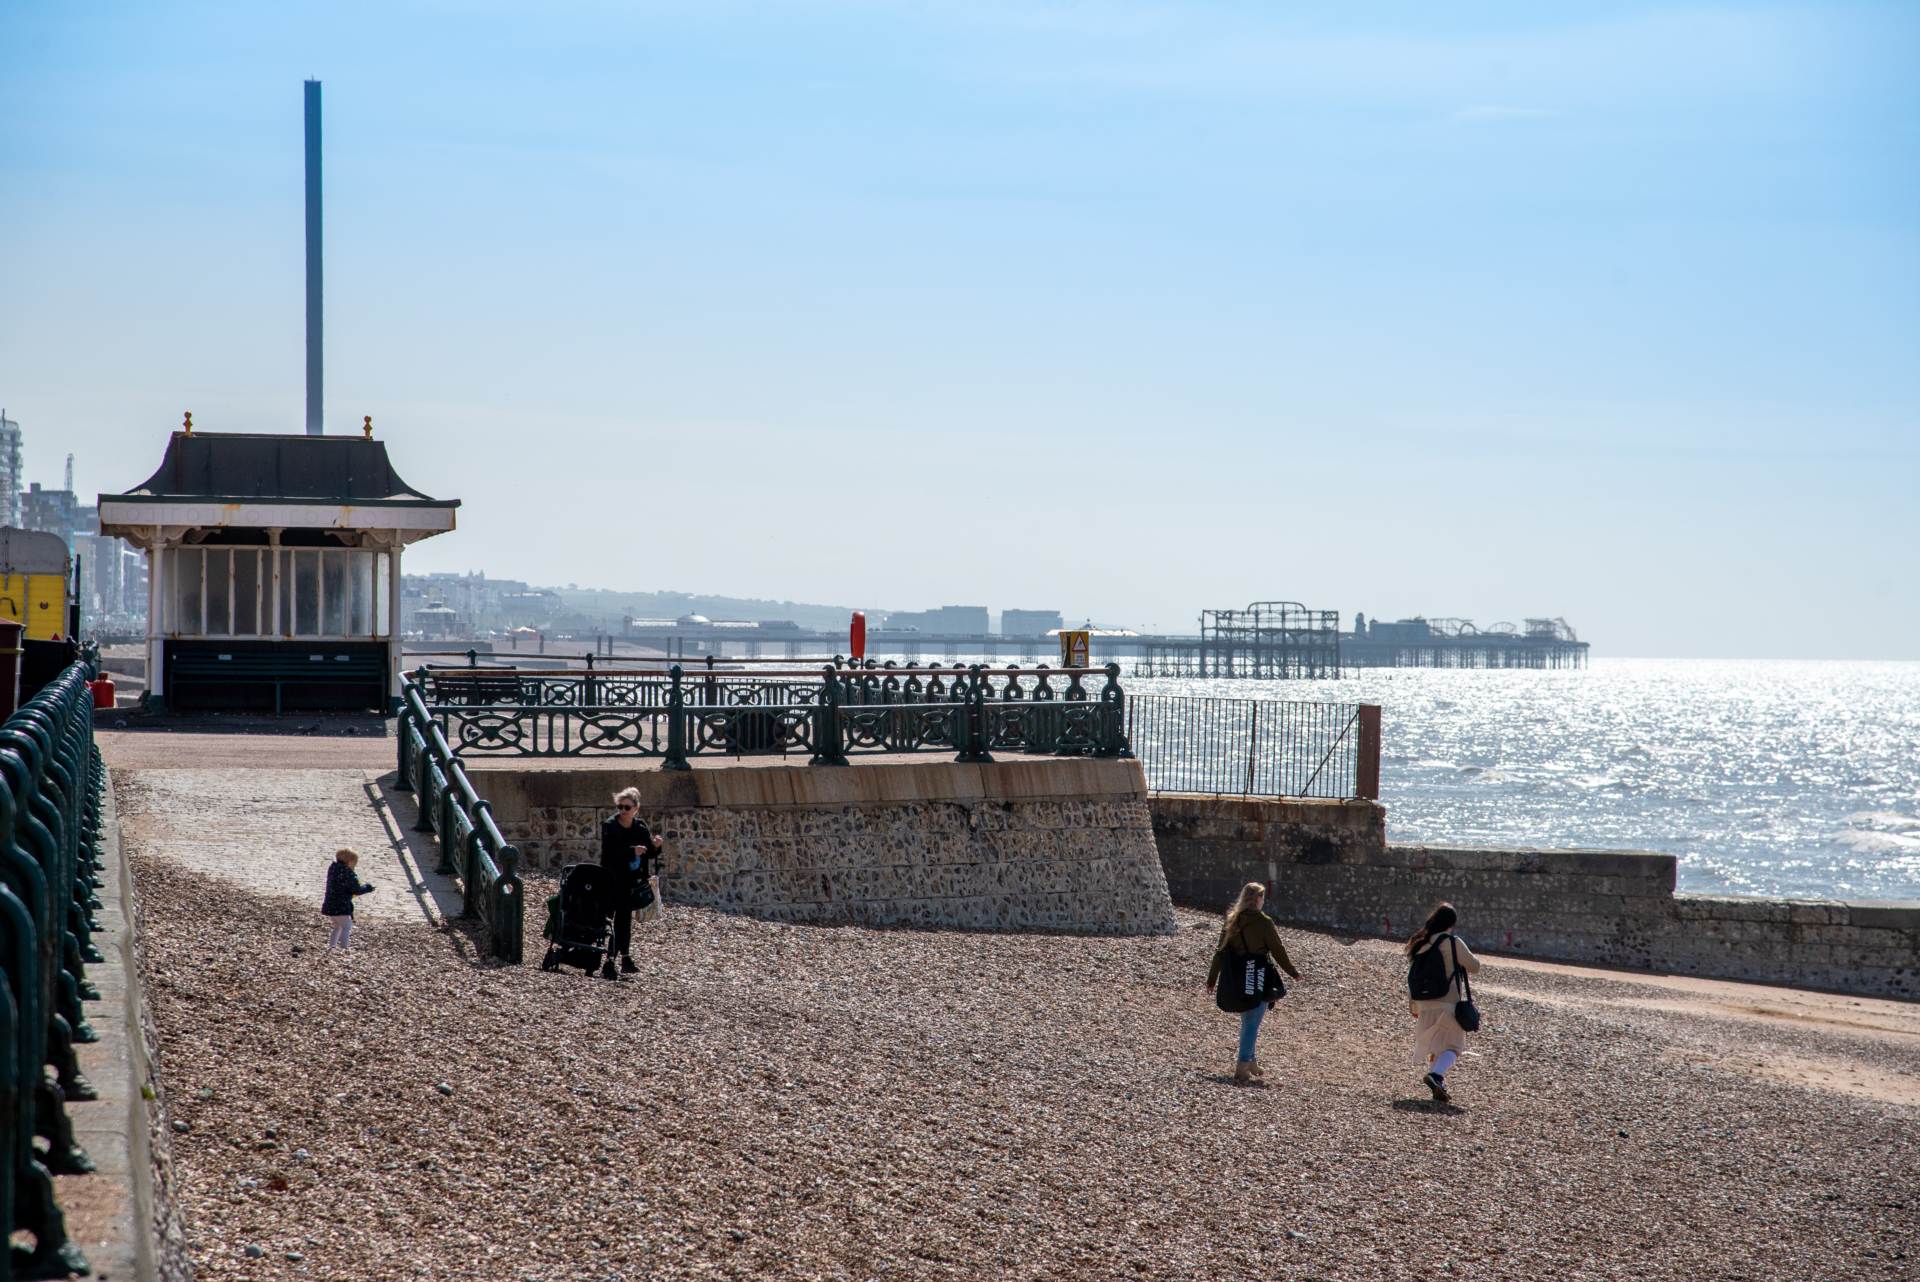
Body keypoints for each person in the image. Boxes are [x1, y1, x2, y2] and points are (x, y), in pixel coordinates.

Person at [1205, 881, 1302, 1085]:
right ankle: (1242, 1066)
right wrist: (1293, 972)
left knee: (1248, 1018)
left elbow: (1220, 951)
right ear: (1258, 899)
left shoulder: (1233, 919)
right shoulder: (1263, 922)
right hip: (1257, 973)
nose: (1263, 901)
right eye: (1263, 897)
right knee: (1252, 1021)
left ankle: (1251, 1060)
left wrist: (1212, 979)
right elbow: (1278, 950)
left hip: (1237, 975)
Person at [1406, 902, 1482, 1102]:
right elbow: (1474, 966)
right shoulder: (1452, 942)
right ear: (1452, 923)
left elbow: (1413, 976)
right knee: (1454, 1047)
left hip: (1423, 1003)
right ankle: (1436, 1076)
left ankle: (1437, 1084)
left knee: (1436, 1046)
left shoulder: (1421, 942)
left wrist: (1413, 1004)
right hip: (1447, 1003)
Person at [600, 786, 663, 980]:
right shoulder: (610, 825)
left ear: (636, 808)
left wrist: (656, 846)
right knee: (610, 921)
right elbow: (609, 853)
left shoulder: (640, 827)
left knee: (624, 921)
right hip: (613, 880)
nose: (622, 811)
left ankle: (624, 958)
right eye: (620, 806)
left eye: (627, 807)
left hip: (631, 882)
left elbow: (649, 853)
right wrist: (631, 851)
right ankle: (610, 960)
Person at [320, 848, 374, 950]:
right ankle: (344, 948)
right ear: (350, 862)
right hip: (341, 905)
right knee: (346, 926)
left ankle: (332, 946)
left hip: (330, 904)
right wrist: (367, 888)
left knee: (337, 926)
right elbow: (356, 889)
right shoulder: (348, 873)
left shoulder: (333, 869)